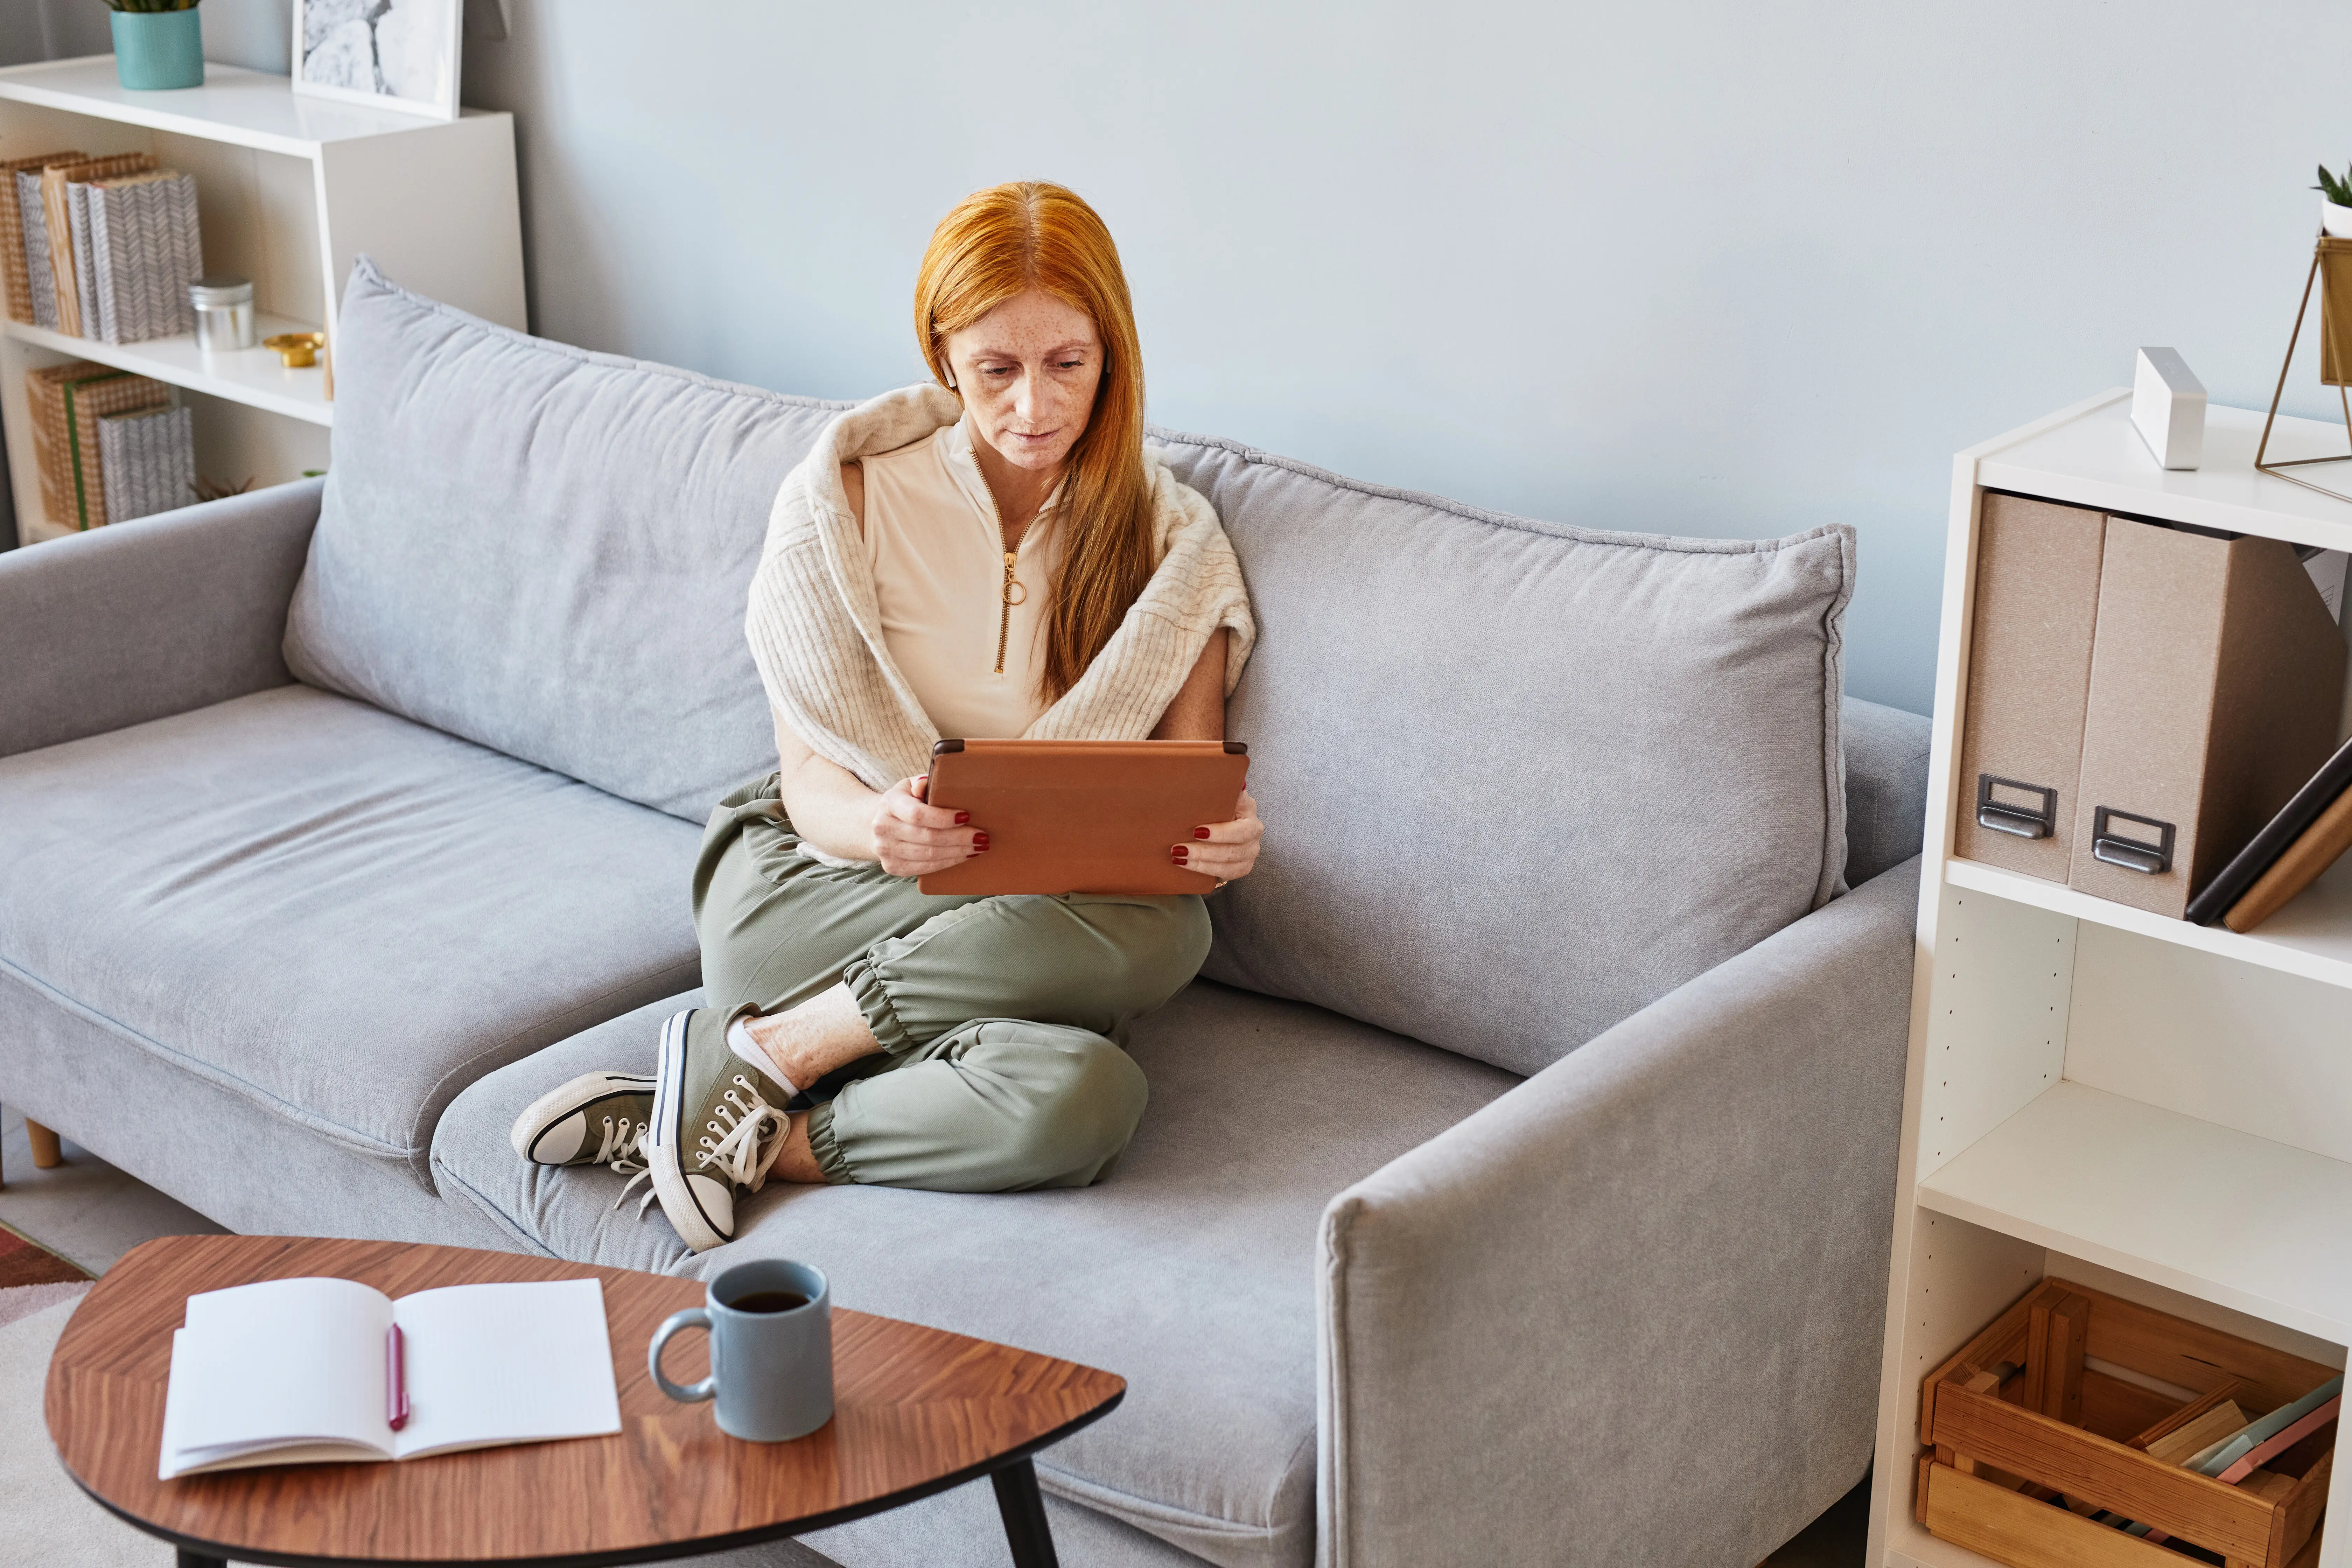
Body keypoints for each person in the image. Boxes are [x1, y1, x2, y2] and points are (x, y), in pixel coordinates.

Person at [509, 182, 1261, 1253]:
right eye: (997, 369)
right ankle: (769, 1053)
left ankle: (756, 1095)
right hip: (815, 891)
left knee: (1100, 1073)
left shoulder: (1170, 545)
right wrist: (882, 831)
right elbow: (810, 784)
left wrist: (1222, 845)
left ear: (1114, 353)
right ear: (942, 353)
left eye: (1068, 365)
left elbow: (1183, 801)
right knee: (1146, 937)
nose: (1033, 409)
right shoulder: (844, 500)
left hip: (1027, 919)